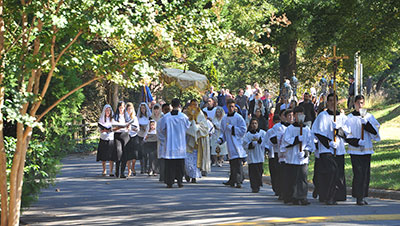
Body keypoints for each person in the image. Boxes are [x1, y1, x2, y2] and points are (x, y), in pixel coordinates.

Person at [312, 93, 348, 205]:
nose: (332, 103)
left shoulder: (342, 117)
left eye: (334, 101)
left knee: (338, 173)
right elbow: (317, 132)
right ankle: (328, 196)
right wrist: (329, 143)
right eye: (330, 101)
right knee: (330, 171)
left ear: (337, 102)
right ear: (327, 102)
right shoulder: (322, 116)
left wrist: (339, 131)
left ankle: (337, 195)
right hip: (326, 149)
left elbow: (348, 134)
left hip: (339, 148)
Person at [345, 95, 380, 205]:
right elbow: (346, 134)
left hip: (367, 149)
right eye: (358, 103)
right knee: (358, 173)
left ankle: (363, 195)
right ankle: (358, 196)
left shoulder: (369, 117)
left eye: (362, 103)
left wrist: (367, 125)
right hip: (355, 149)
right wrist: (357, 142)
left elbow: (375, 132)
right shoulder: (349, 118)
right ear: (354, 104)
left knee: (365, 173)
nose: (360, 105)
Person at [281, 106, 314, 205]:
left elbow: (310, 143)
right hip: (292, 156)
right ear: (294, 115)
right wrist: (296, 140)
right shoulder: (290, 129)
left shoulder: (307, 129)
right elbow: (286, 141)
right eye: (297, 114)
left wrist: (306, 152)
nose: (300, 116)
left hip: (302, 157)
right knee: (292, 177)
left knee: (302, 177)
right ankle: (291, 196)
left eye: (301, 114)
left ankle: (302, 196)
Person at [158, 98, 190, 188]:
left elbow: (161, 130)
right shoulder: (183, 117)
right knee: (179, 164)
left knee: (170, 165)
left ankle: (169, 181)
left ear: (171, 105)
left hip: (170, 144)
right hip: (180, 144)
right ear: (179, 105)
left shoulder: (166, 117)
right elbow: (188, 128)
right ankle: (180, 181)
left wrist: (164, 140)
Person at [218, 99, 247, 188]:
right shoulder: (224, 119)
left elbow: (243, 130)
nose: (231, 108)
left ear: (235, 107)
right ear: (227, 106)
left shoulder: (238, 117)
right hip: (230, 144)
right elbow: (223, 131)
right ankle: (232, 179)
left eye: (232, 106)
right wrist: (220, 139)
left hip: (237, 143)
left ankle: (238, 181)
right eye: (229, 106)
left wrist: (232, 128)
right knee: (232, 163)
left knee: (238, 163)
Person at [184, 99, 211, 183]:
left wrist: (197, 127)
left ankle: (194, 176)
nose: (194, 106)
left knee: (195, 160)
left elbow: (205, 127)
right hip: (188, 140)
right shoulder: (185, 114)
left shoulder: (201, 114)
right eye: (192, 104)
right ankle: (187, 174)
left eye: (195, 104)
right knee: (187, 160)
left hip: (197, 141)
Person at [243, 118, 266, 193]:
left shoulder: (262, 133)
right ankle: (254, 186)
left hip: (259, 155)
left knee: (259, 171)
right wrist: (251, 144)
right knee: (252, 172)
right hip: (252, 156)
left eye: (255, 123)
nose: (254, 125)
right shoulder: (248, 134)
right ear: (250, 125)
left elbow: (266, 142)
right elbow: (244, 145)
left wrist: (261, 141)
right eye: (253, 123)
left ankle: (258, 184)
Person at [112, 101, 131, 178]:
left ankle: (122, 172)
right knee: (118, 152)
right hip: (117, 135)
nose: (121, 109)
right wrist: (119, 127)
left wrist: (127, 127)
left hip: (125, 135)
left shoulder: (127, 116)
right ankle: (117, 170)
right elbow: (113, 127)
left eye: (123, 108)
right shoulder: (115, 116)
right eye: (120, 108)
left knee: (125, 154)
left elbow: (129, 125)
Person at [264, 115, 281, 196]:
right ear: (273, 122)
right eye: (276, 122)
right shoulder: (270, 131)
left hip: (279, 154)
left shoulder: (282, 130)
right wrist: (267, 150)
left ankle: (279, 188)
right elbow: (266, 143)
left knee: (279, 172)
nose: (277, 123)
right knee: (273, 172)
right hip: (272, 154)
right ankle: (275, 188)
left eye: (279, 122)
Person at [97, 104, 115, 176]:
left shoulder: (113, 119)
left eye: (109, 110)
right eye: (106, 110)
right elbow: (99, 129)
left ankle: (111, 171)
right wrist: (103, 130)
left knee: (111, 156)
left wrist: (110, 130)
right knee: (103, 156)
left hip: (111, 138)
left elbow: (115, 127)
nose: (108, 112)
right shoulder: (101, 119)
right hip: (103, 138)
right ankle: (104, 170)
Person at [125, 102, 140, 177]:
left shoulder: (135, 118)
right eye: (128, 109)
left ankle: (133, 167)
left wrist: (133, 128)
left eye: (130, 109)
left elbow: (138, 129)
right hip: (127, 136)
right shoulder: (124, 118)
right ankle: (129, 170)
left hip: (134, 136)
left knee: (134, 155)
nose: (129, 110)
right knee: (128, 154)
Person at [158, 103, 171, 182]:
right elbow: (159, 132)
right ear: (162, 110)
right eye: (165, 109)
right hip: (164, 142)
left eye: (168, 109)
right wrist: (165, 140)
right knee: (163, 160)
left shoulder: (171, 119)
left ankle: (169, 176)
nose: (167, 111)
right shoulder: (161, 120)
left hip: (171, 143)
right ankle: (162, 176)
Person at [137, 102, 152, 174]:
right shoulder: (138, 117)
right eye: (141, 108)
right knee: (141, 152)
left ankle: (147, 167)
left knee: (147, 152)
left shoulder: (149, 116)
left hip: (147, 136)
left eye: (144, 108)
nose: (143, 110)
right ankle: (142, 167)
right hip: (140, 135)